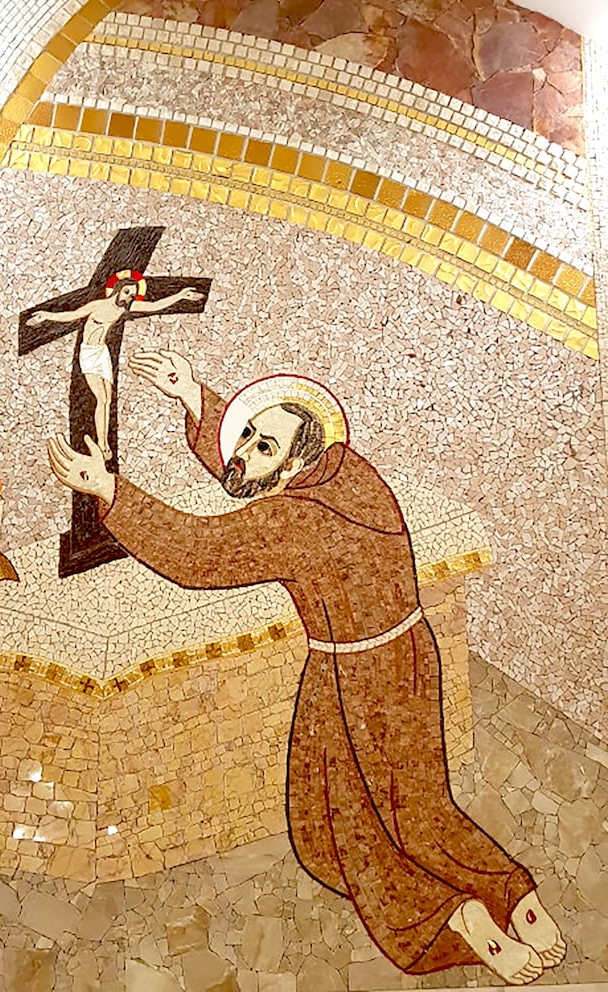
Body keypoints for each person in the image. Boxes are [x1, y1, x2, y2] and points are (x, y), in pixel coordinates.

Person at [47, 350, 566, 985]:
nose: (243, 451)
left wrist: (111, 492)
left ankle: (454, 920)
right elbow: (251, 476)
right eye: (245, 435)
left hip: (356, 680)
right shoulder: (347, 472)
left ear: (296, 464)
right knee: (407, 812)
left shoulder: (295, 520)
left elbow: (201, 552)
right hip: (399, 657)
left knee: (347, 831)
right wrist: (195, 398)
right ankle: (519, 901)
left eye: (262, 446)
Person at [29, 271, 202, 459]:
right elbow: (72, 315)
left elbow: (154, 305)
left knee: (107, 401)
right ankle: (102, 445)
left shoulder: (123, 309)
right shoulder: (98, 305)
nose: (128, 297)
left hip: (102, 354)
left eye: (132, 295)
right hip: (89, 354)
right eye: (126, 292)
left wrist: (180, 295)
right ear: (117, 289)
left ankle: (103, 443)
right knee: (100, 398)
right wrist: (46, 315)